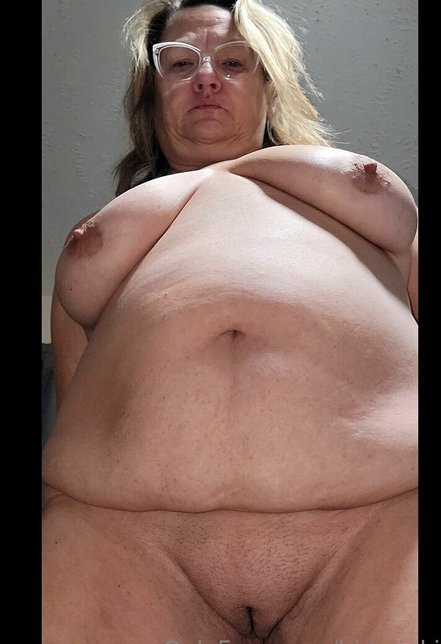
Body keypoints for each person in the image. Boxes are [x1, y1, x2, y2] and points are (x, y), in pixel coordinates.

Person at [43, 0, 418, 642]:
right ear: (150, 97)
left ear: (269, 87)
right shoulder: (108, 234)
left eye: (234, 63)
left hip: (383, 522)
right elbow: (79, 406)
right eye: (180, 63)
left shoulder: (353, 209)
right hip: (122, 540)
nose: (206, 78)